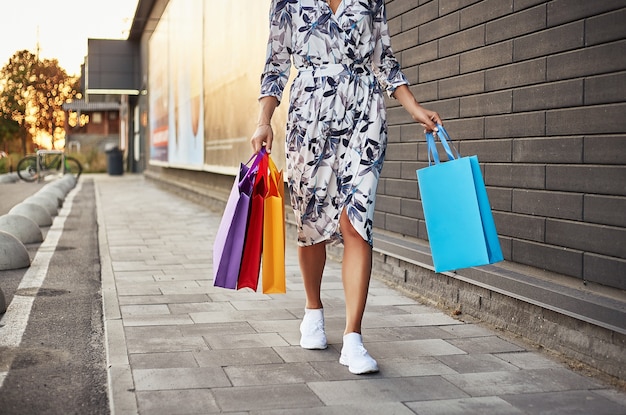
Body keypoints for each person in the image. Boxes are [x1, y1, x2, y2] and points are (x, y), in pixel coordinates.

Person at [250, 0, 442, 375]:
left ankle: (353, 337)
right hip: (309, 120)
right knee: (312, 225)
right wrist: (263, 121)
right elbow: (275, 65)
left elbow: (384, 58)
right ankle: (313, 310)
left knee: (357, 222)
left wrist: (414, 108)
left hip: (364, 116)